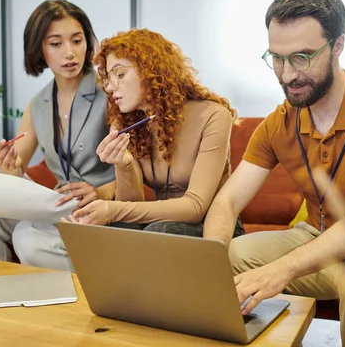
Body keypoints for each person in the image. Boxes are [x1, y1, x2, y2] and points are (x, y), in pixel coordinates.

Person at [202, 0, 345, 346]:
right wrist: (209, 257)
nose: (287, 75)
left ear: (338, 46)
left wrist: (281, 269)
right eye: (276, 58)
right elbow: (226, 201)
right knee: (235, 254)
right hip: (320, 236)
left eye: (302, 57)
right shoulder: (279, 122)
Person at [0, 0, 115, 271]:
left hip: (100, 207)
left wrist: (101, 191)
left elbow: (137, 167)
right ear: (39, 49)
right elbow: (17, 173)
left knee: (27, 236)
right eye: (56, 44)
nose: (70, 53)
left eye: (77, 41)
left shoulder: (110, 92)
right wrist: (10, 166)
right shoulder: (38, 105)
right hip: (59, 204)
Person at [63, 28, 245, 238]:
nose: (111, 88)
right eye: (109, 79)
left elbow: (196, 207)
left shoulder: (213, 115)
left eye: (120, 74)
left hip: (215, 225)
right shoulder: (127, 122)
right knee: (120, 230)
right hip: (161, 225)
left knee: (157, 232)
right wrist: (124, 164)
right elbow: (131, 208)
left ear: (153, 71)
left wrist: (111, 209)